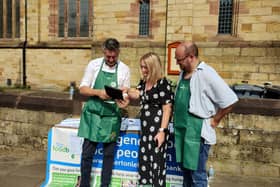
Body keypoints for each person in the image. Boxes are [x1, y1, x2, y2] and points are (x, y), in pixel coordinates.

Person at [173, 41, 238, 187]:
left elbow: (230, 100)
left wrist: (215, 120)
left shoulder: (206, 73)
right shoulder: (183, 73)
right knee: (186, 174)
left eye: (179, 60)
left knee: (197, 176)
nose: (177, 63)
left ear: (190, 56)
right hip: (182, 130)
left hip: (197, 133)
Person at [78, 38, 130, 187]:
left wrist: (125, 101)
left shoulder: (124, 69)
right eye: (108, 57)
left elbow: (125, 93)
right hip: (93, 116)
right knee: (87, 155)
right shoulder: (93, 65)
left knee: (108, 155)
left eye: (114, 56)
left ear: (118, 53)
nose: (111, 59)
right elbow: (82, 88)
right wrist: (98, 92)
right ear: (104, 52)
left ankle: (105, 185)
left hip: (111, 117)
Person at [126, 52, 173, 187]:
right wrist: (125, 91)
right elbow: (137, 93)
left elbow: (167, 109)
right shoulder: (145, 82)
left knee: (157, 167)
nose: (143, 70)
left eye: (146, 67)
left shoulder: (163, 84)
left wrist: (162, 131)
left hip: (158, 131)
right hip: (146, 132)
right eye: (141, 67)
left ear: (153, 67)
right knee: (145, 165)